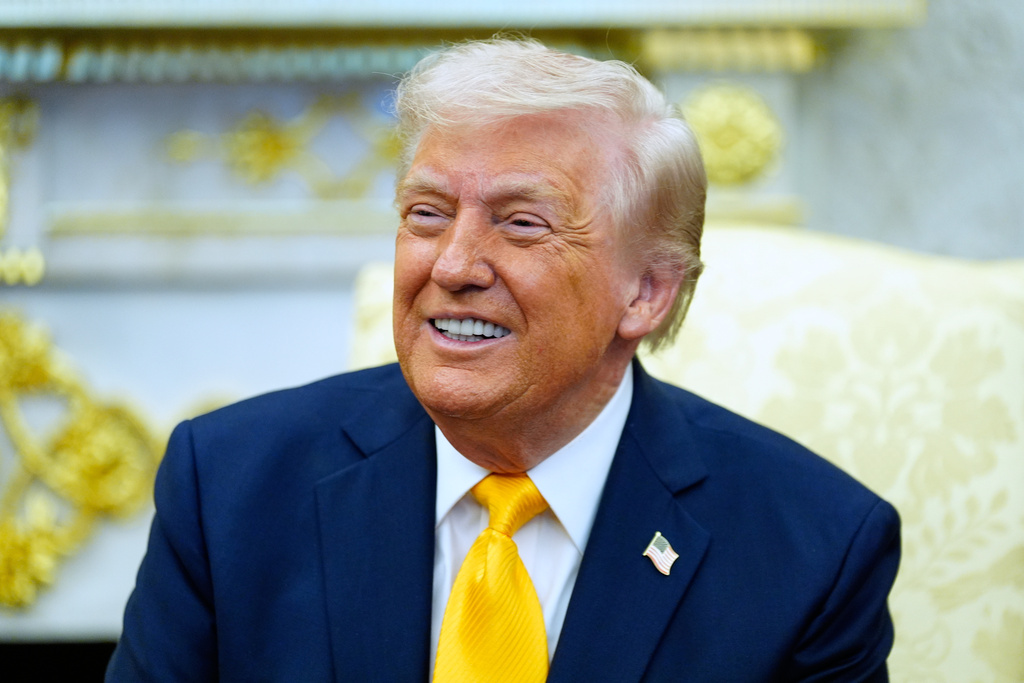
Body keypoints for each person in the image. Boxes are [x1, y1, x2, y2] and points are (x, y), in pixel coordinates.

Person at [107, 38, 900, 682]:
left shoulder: (812, 551)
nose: (453, 265)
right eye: (427, 214)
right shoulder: (229, 486)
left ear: (647, 292)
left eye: (521, 224)